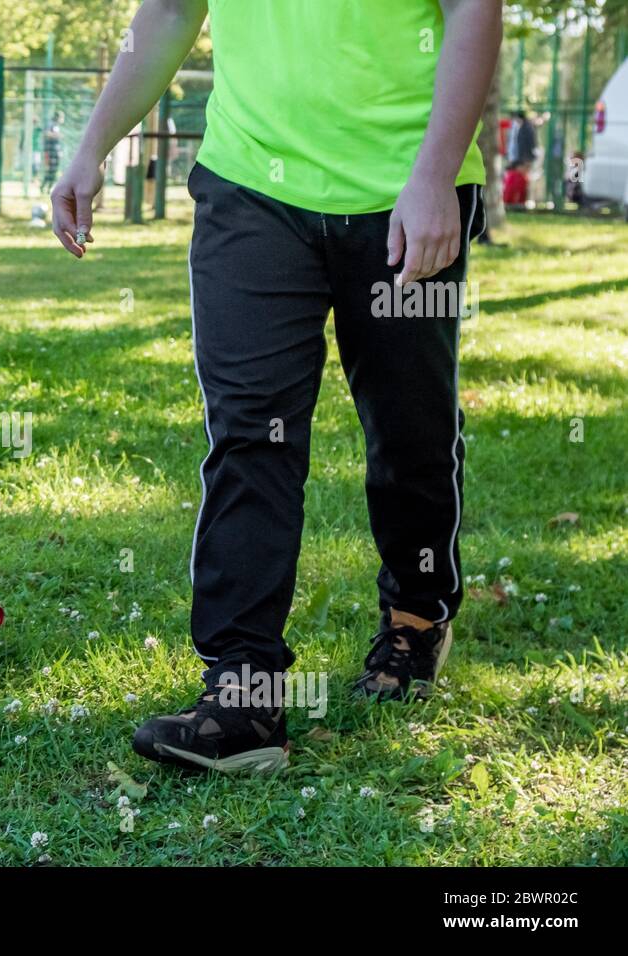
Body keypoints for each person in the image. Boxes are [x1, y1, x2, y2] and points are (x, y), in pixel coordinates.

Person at [51, 0, 500, 774]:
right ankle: (242, 692)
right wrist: (93, 145)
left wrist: (432, 176)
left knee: (409, 425)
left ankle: (415, 618)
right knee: (250, 432)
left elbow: (472, 8)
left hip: (404, 189)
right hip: (250, 189)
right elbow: (166, 10)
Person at [40, 111, 64, 194]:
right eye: (62, 117)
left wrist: (60, 151)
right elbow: (46, 133)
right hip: (50, 151)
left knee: (54, 170)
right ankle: (44, 186)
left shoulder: (57, 126)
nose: (62, 119)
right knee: (50, 170)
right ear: (58, 117)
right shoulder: (51, 124)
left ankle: (49, 188)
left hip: (56, 151)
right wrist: (56, 135)